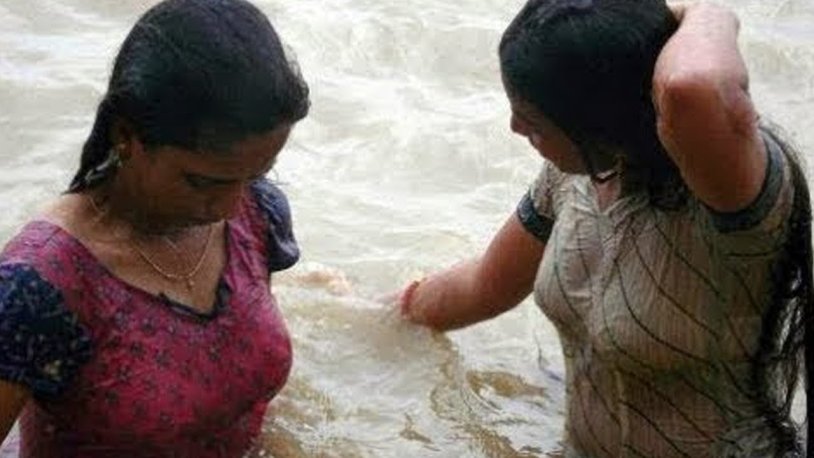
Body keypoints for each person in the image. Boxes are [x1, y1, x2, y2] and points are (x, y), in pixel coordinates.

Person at [397, 0, 812, 456]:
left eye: (532, 118)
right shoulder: (576, 177)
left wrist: (706, 11)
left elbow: (691, 86)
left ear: (601, 119)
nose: (513, 127)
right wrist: (375, 313)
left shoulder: (730, 198)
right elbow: (483, 286)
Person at [0, 0, 309, 456]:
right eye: (203, 182)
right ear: (127, 136)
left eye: (257, 174)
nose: (230, 207)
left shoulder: (258, 213)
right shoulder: (38, 290)